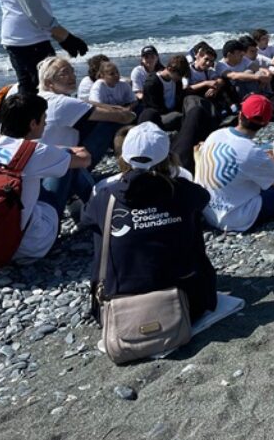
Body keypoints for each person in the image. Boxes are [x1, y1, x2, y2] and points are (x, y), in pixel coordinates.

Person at [83, 122, 217, 322]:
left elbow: (86, 220)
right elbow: (204, 198)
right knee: (190, 217)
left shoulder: (105, 194)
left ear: (123, 157)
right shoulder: (183, 190)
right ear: (168, 157)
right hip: (189, 304)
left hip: (121, 309)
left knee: (102, 225)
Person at [0, 92, 90, 262]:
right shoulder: (36, 152)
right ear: (33, 124)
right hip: (31, 245)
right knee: (67, 161)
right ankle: (97, 214)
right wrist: (68, 150)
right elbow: (84, 160)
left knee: (38, 173)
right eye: (43, 119)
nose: (45, 123)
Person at [195, 95, 274, 232]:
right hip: (237, 218)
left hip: (207, 210)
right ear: (266, 124)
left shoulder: (215, 135)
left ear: (240, 115)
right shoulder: (252, 152)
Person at [37, 57, 135, 210]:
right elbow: (124, 117)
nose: (72, 76)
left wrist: (103, 106)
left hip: (39, 173)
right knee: (108, 123)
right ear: (49, 82)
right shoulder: (61, 103)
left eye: (72, 71)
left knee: (69, 152)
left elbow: (85, 104)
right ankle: (129, 170)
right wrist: (127, 113)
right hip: (55, 177)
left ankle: (86, 200)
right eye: (65, 73)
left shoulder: (41, 98)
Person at [138, 55, 216, 171]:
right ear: (169, 69)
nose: (179, 79)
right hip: (160, 116)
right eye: (178, 75)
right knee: (177, 116)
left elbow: (180, 97)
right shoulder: (152, 82)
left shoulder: (176, 82)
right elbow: (153, 108)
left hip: (175, 111)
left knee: (193, 102)